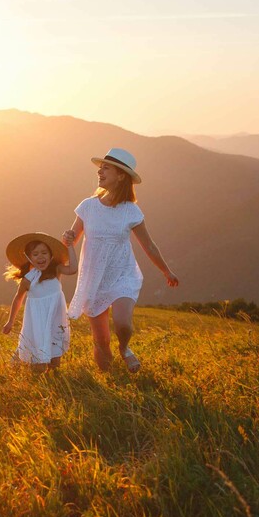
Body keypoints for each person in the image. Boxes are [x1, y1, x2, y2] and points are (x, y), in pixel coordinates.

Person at [65, 148, 179, 373]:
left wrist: (166, 271)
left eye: (106, 168)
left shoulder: (131, 211)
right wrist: (65, 242)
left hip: (122, 274)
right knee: (101, 342)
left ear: (121, 176)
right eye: (101, 167)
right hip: (94, 278)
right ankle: (110, 381)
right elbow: (72, 238)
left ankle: (125, 348)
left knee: (123, 324)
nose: (100, 171)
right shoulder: (88, 206)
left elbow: (149, 245)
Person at [2, 232, 78, 373]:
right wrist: (10, 321)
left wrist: (70, 246)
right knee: (38, 364)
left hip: (55, 320)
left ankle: (54, 383)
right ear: (29, 258)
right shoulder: (28, 280)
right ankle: (29, 372)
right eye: (35, 254)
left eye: (44, 253)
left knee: (55, 361)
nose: (41, 257)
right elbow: (18, 299)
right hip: (37, 323)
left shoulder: (56, 270)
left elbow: (73, 269)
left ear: (51, 255)